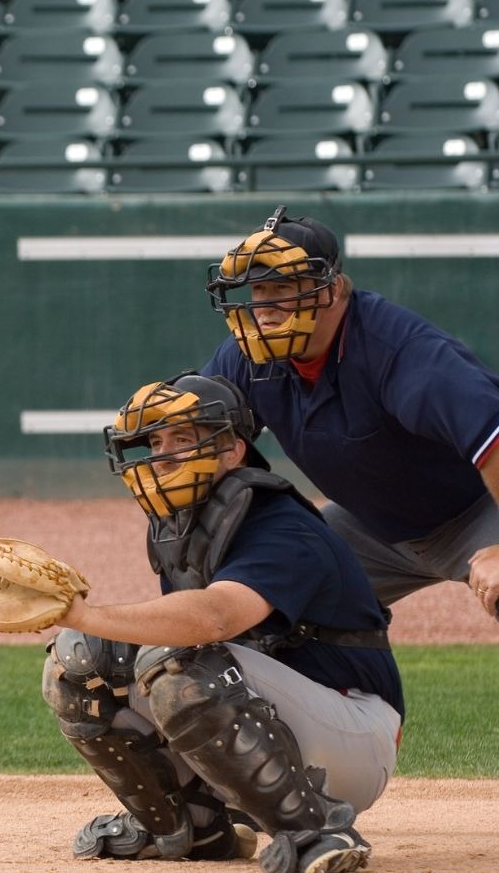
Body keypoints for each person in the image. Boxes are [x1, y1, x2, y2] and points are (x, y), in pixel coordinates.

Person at [41, 373, 402, 873]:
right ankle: (191, 825)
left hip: (352, 734)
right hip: (277, 719)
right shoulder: (183, 528)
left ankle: (316, 830)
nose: (162, 456)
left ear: (232, 451)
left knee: (178, 662)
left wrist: (87, 612)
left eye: (182, 439)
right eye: (155, 443)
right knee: (80, 658)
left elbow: (215, 618)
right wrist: (81, 626)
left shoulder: (281, 524)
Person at [200, 206, 499, 620]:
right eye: (258, 290)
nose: (265, 307)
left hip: (479, 507)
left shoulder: (398, 351)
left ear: (333, 289)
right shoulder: (251, 357)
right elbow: (199, 427)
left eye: (282, 287)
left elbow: (493, 434)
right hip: (372, 528)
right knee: (264, 596)